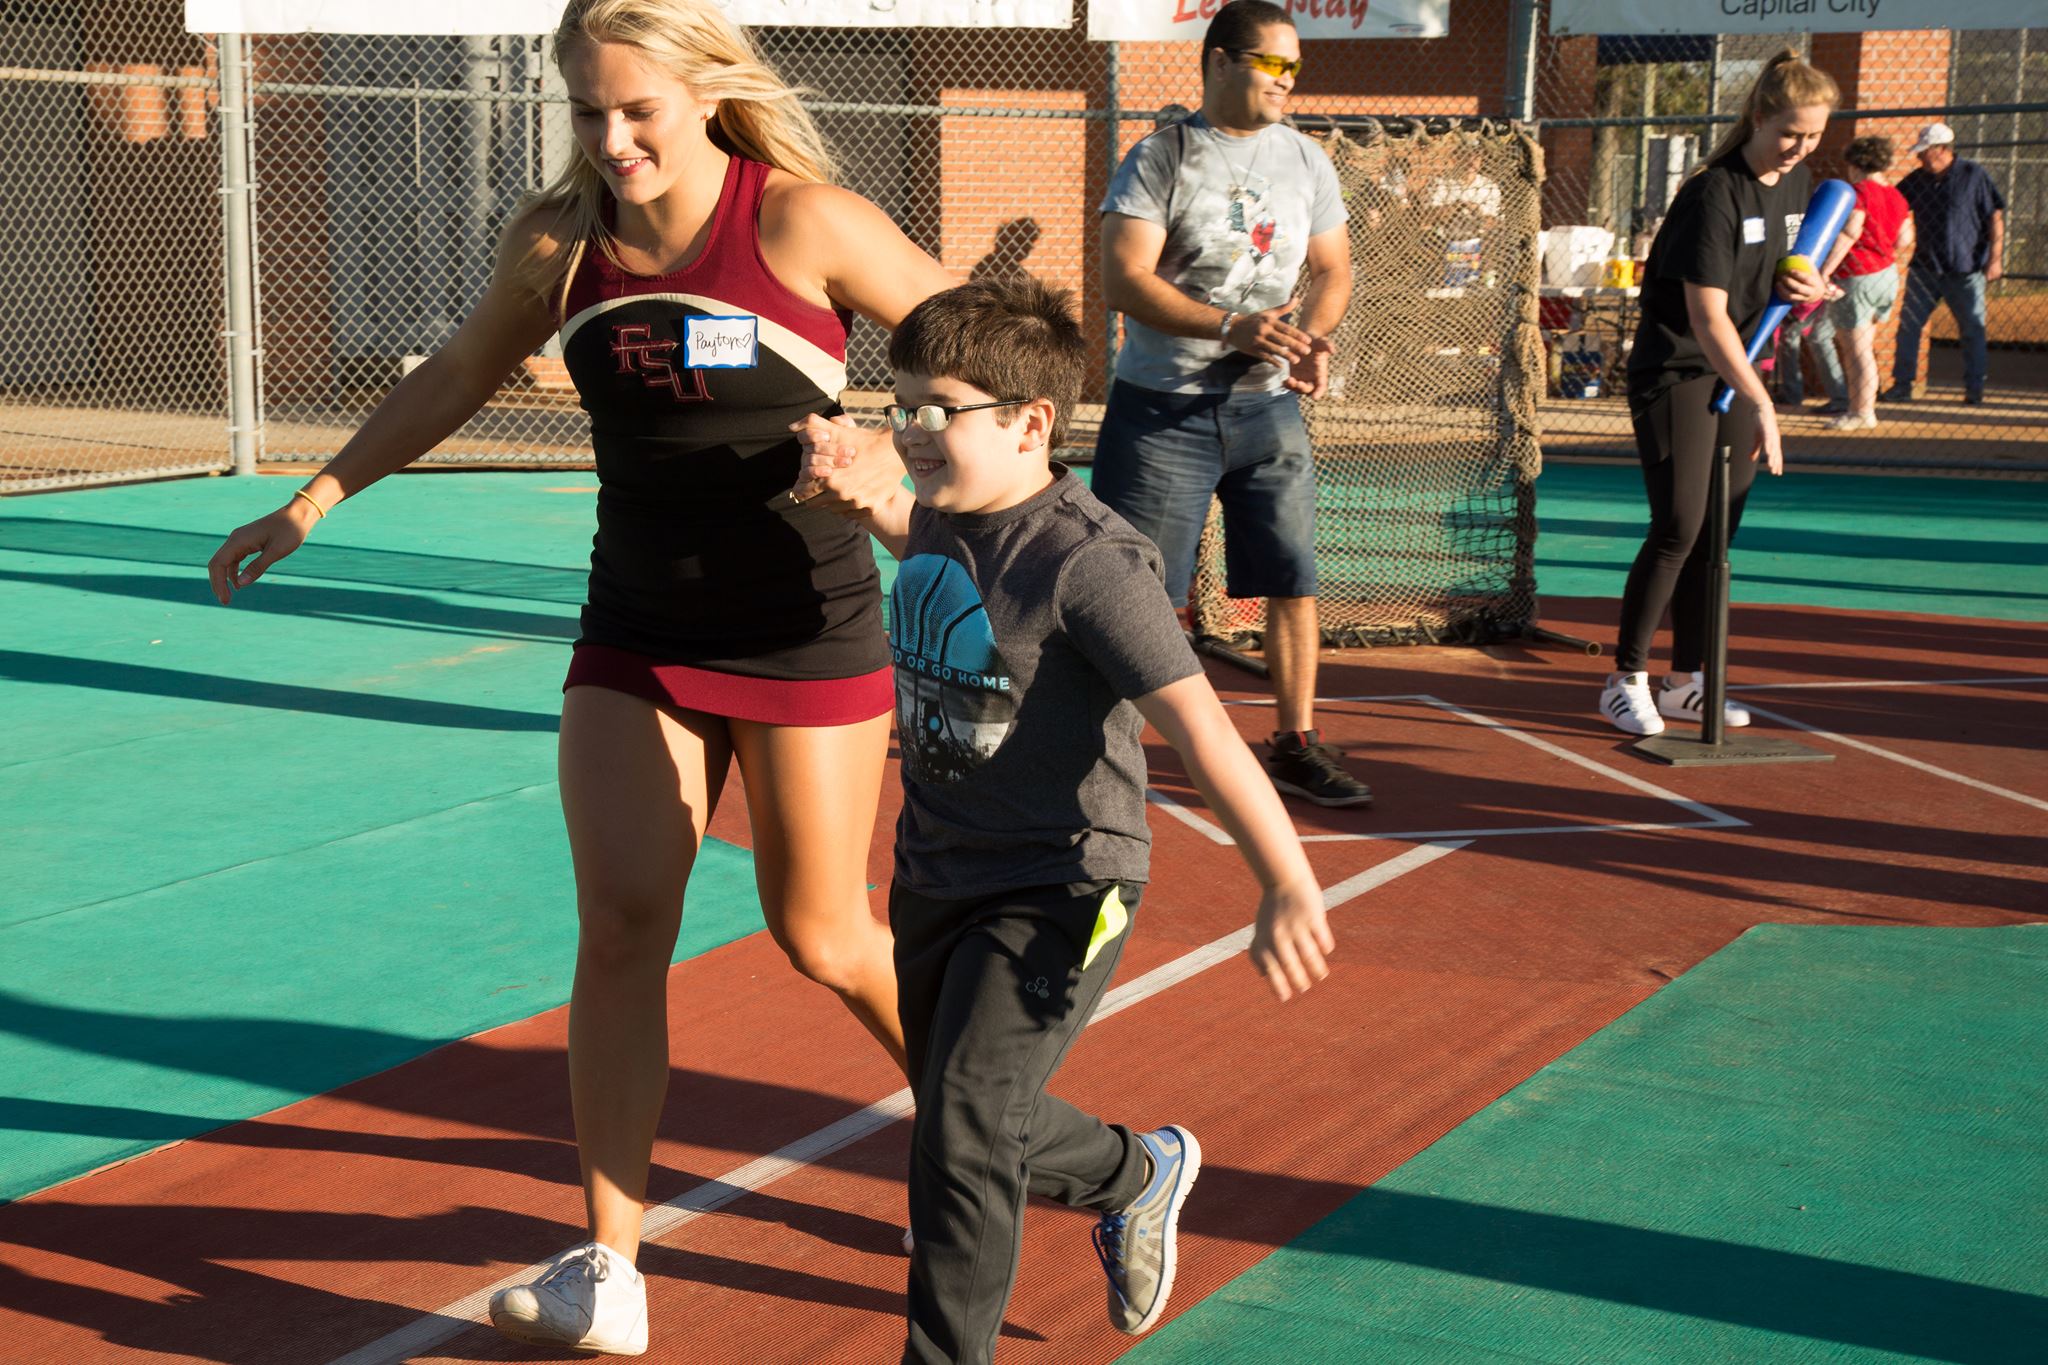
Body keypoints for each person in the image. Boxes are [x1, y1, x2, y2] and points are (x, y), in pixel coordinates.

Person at [204, 0, 952, 1353]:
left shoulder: (803, 223)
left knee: (822, 934)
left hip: (803, 623)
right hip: (634, 630)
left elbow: (984, 352)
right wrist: (311, 499)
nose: (612, 140)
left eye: (638, 111)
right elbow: (454, 374)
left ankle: (982, 1137)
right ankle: (609, 1263)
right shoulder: (560, 243)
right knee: (618, 925)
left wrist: (903, 456)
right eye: (589, 112)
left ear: (704, 91)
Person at [802, 277, 1333, 1364]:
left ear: (1029, 422)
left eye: (936, 409)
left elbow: (1199, 727)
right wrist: (867, 499)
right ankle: (1140, 1175)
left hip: (1061, 881)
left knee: (958, 1124)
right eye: (898, 405)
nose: (910, 430)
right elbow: (935, 547)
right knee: (974, 1114)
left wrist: (1282, 877)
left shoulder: (1092, 563)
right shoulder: (947, 513)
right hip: (935, 872)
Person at [1095, 0, 1371, 809]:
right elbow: (1122, 281)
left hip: (1266, 411)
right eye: (1273, 64)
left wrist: (1310, 341)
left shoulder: (1309, 161)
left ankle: (1295, 740)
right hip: (1161, 412)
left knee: (1292, 578)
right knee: (1134, 589)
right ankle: (1102, 749)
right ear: (1219, 62)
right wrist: (1231, 325)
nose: (1289, 80)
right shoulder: (1161, 157)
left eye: (1296, 66)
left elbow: (1335, 270)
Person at [1599, 50, 1836, 737]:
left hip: (1738, 367)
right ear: (1759, 116)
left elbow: (1777, 288)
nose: (1800, 147)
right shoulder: (1712, 192)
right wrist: (1762, 401)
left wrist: (1810, 292)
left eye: (1815, 135)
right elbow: (1705, 319)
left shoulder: (1800, 187)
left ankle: (1686, 681)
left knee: (1716, 536)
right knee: (1678, 524)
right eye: (1790, 131)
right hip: (1678, 370)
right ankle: (1626, 677)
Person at [1883, 121, 2006, 405]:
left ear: (1942, 149)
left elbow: (1994, 217)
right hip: (1925, 267)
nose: (1920, 157)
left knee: (1972, 329)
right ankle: (1903, 385)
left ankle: (1974, 389)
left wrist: (1995, 259)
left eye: (1924, 152)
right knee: (1909, 326)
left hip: (1965, 269)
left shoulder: (1973, 175)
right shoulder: (1917, 179)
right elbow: (1893, 205)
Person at [1815, 135, 1914, 430]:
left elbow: (1850, 232)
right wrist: (1881, 251)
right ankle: (1863, 408)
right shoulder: (1897, 196)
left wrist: (1824, 272)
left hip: (1857, 274)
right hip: (1886, 273)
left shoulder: (1857, 193)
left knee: (1855, 349)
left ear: (1856, 164)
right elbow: (1905, 239)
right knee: (1863, 345)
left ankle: (1861, 412)